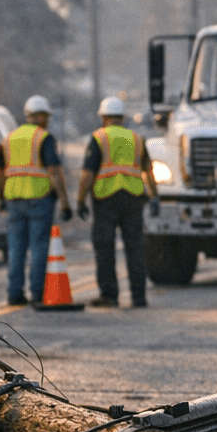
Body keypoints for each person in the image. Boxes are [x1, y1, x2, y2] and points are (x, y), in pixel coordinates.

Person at [75, 96, 155, 308]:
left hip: (105, 200)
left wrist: (80, 200)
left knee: (105, 248)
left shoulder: (98, 138)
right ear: (122, 117)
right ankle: (139, 296)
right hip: (133, 199)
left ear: (103, 117)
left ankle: (109, 295)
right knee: (135, 247)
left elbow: (87, 174)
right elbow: (148, 170)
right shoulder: (136, 138)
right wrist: (154, 197)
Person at [0, 95, 72, 305]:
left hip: (13, 200)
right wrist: (65, 201)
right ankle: (38, 293)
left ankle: (14, 293)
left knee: (15, 248)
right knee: (38, 246)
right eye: (46, 116)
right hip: (39, 199)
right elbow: (54, 171)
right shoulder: (44, 138)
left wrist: (1, 197)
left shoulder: (9, 138)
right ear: (41, 117)